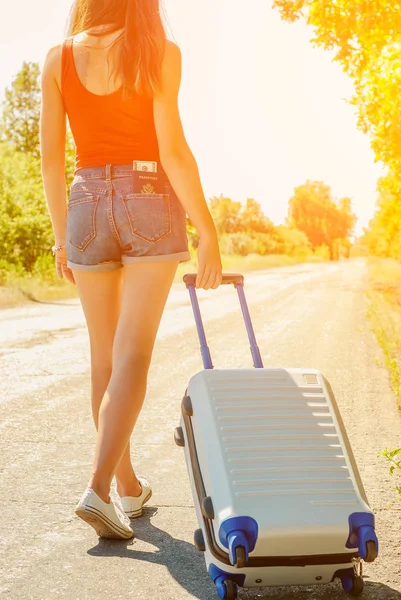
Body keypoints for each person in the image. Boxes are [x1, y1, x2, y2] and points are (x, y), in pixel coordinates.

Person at [40, 0, 222, 540]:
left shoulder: (57, 59)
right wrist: (206, 228)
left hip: (85, 203)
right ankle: (98, 486)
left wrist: (59, 235)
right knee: (134, 355)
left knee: (105, 357)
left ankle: (125, 488)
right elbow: (173, 151)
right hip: (147, 199)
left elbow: (51, 158)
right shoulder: (158, 52)